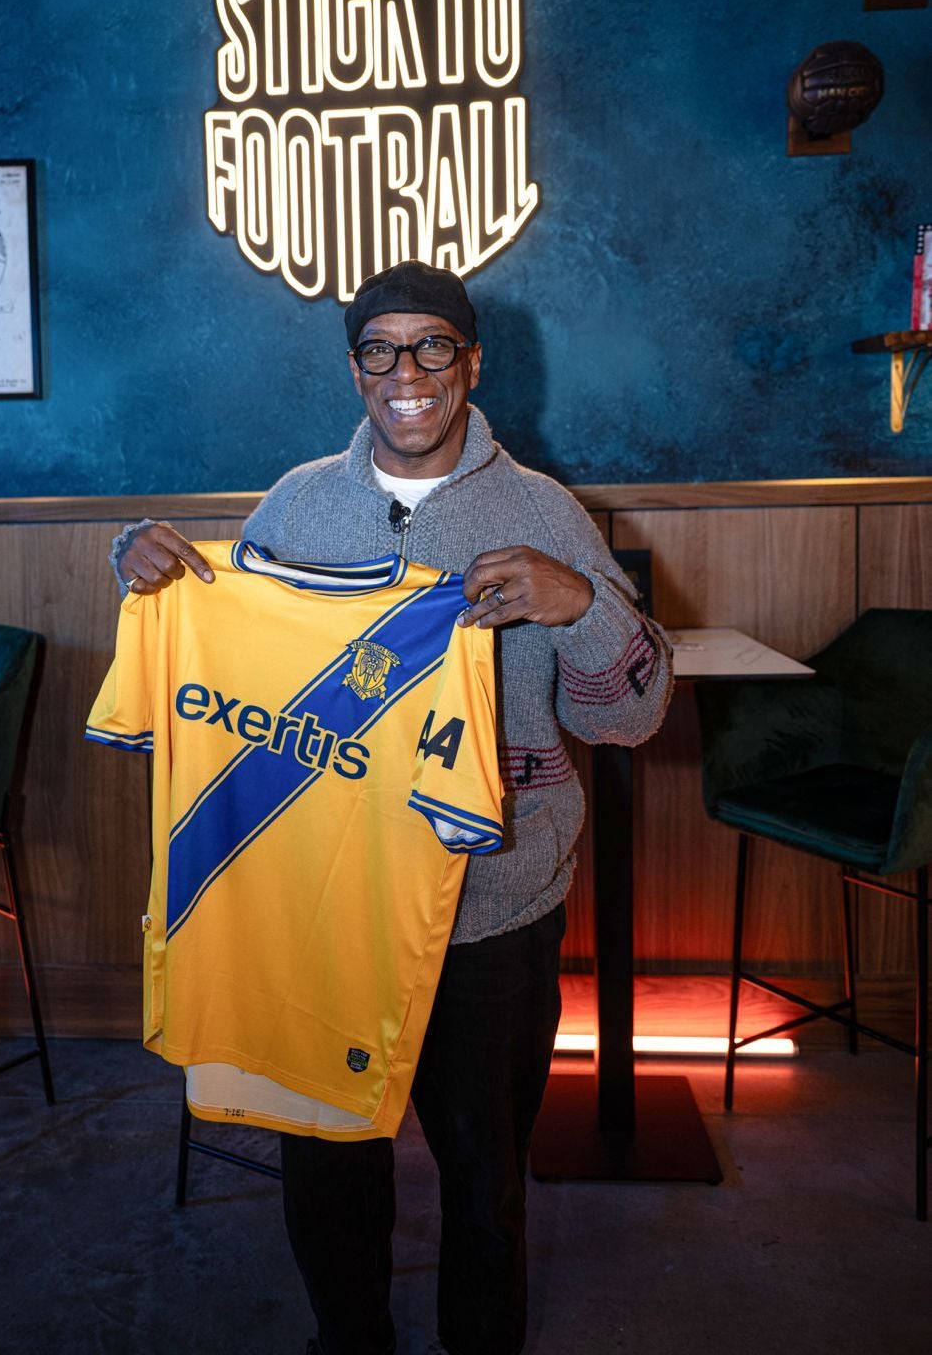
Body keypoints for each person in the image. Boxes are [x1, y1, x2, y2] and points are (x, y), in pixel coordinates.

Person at [110, 260, 673, 1355]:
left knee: (483, 1178)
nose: (404, 372)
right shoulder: (297, 501)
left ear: (470, 361)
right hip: (320, 911)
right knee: (325, 1170)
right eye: (379, 348)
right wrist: (144, 574)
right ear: (353, 366)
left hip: (491, 911)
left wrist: (576, 606)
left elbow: (633, 717)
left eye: (430, 347)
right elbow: (226, 657)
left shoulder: (544, 511)